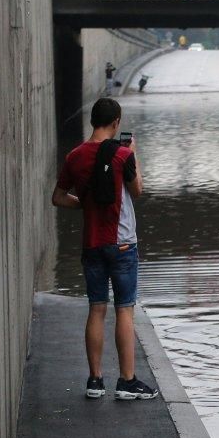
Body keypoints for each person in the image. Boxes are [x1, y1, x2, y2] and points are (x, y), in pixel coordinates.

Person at [51, 98, 157, 401]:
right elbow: (137, 191)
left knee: (96, 309)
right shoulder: (123, 154)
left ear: (92, 122)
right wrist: (133, 156)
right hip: (122, 244)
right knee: (124, 310)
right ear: (116, 123)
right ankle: (127, 381)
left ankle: (95, 381)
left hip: (92, 244)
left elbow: (58, 197)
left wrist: (84, 203)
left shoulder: (74, 156)